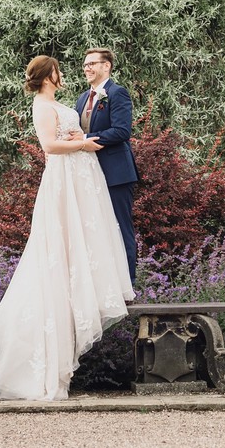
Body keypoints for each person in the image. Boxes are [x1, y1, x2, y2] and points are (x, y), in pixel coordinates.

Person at [0, 55, 135, 400]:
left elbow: (80, 133)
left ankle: (98, 285)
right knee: (63, 240)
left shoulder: (67, 101)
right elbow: (49, 146)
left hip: (82, 178)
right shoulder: (42, 104)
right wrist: (82, 143)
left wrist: (79, 136)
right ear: (46, 76)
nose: (65, 72)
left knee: (93, 235)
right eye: (57, 69)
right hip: (65, 176)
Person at [76, 47, 139, 282]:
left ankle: (128, 286)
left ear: (107, 66)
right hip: (88, 174)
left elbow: (122, 131)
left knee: (121, 229)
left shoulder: (117, 93)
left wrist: (84, 140)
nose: (87, 68)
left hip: (116, 173)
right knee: (97, 232)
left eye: (92, 63)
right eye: (85, 65)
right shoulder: (82, 98)